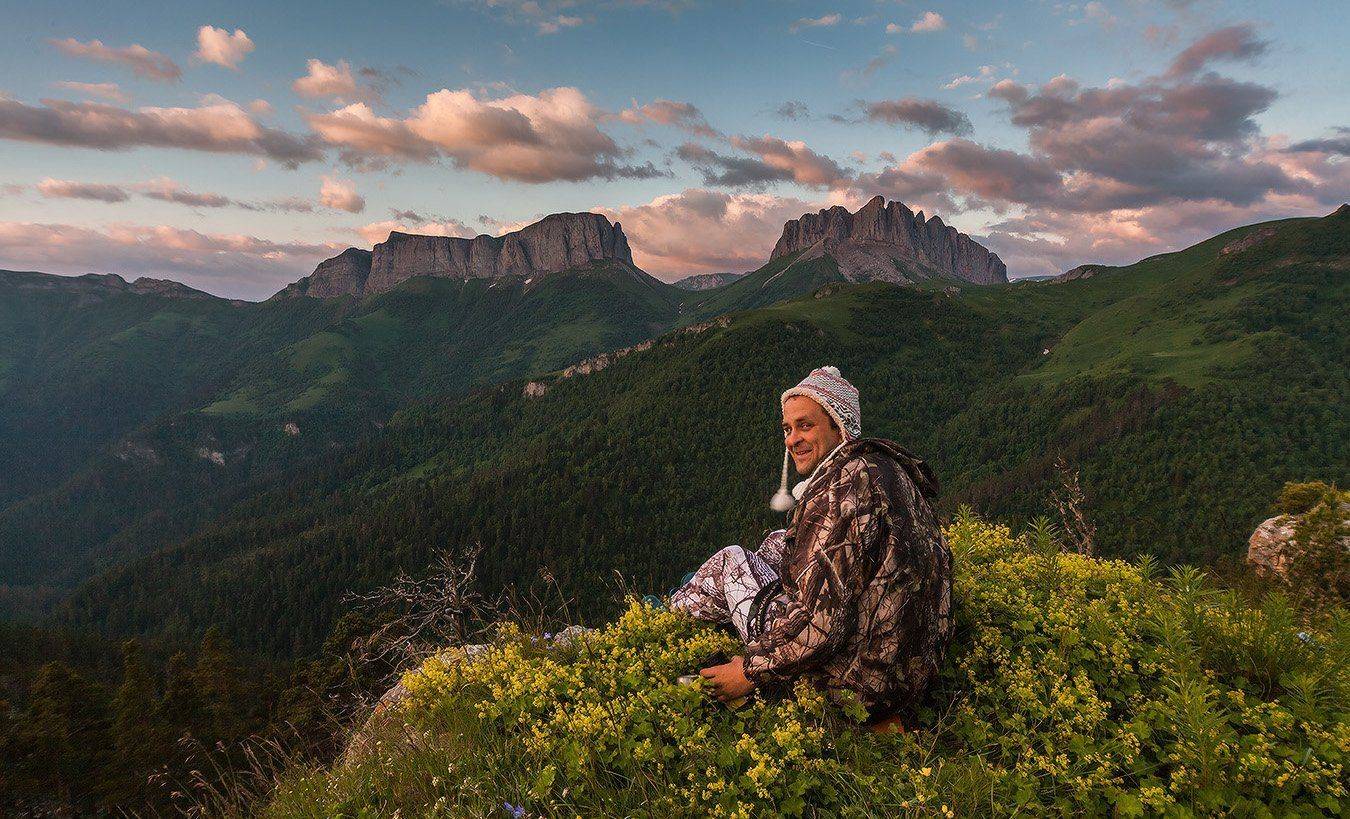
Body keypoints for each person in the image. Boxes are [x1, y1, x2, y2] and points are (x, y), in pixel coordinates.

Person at [670, 366, 953, 728]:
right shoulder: (888, 471)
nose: (791, 440)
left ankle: (665, 613)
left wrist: (748, 671)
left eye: (805, 426)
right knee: (777, 542)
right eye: (787, 429)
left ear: (839, 426)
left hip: (853, 685)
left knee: (731, 561)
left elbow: (821, 626)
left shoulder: (842, 491)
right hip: (907, 675)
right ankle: (694, 592)